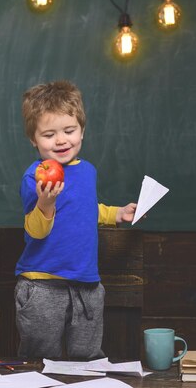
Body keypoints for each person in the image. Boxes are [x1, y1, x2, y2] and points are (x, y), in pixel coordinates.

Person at [15, 80, 137, 359]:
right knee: (39, 360)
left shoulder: (88, 171)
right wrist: (46, 203)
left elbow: (85, 208)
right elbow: (34, 230)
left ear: (82, 131)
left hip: (87, 285)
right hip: (44, 284)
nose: (61, 140)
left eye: (69, 131)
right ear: (34, 139)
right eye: (49, 134)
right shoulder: (35, 177)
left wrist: (116, 213)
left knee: (87, 358)